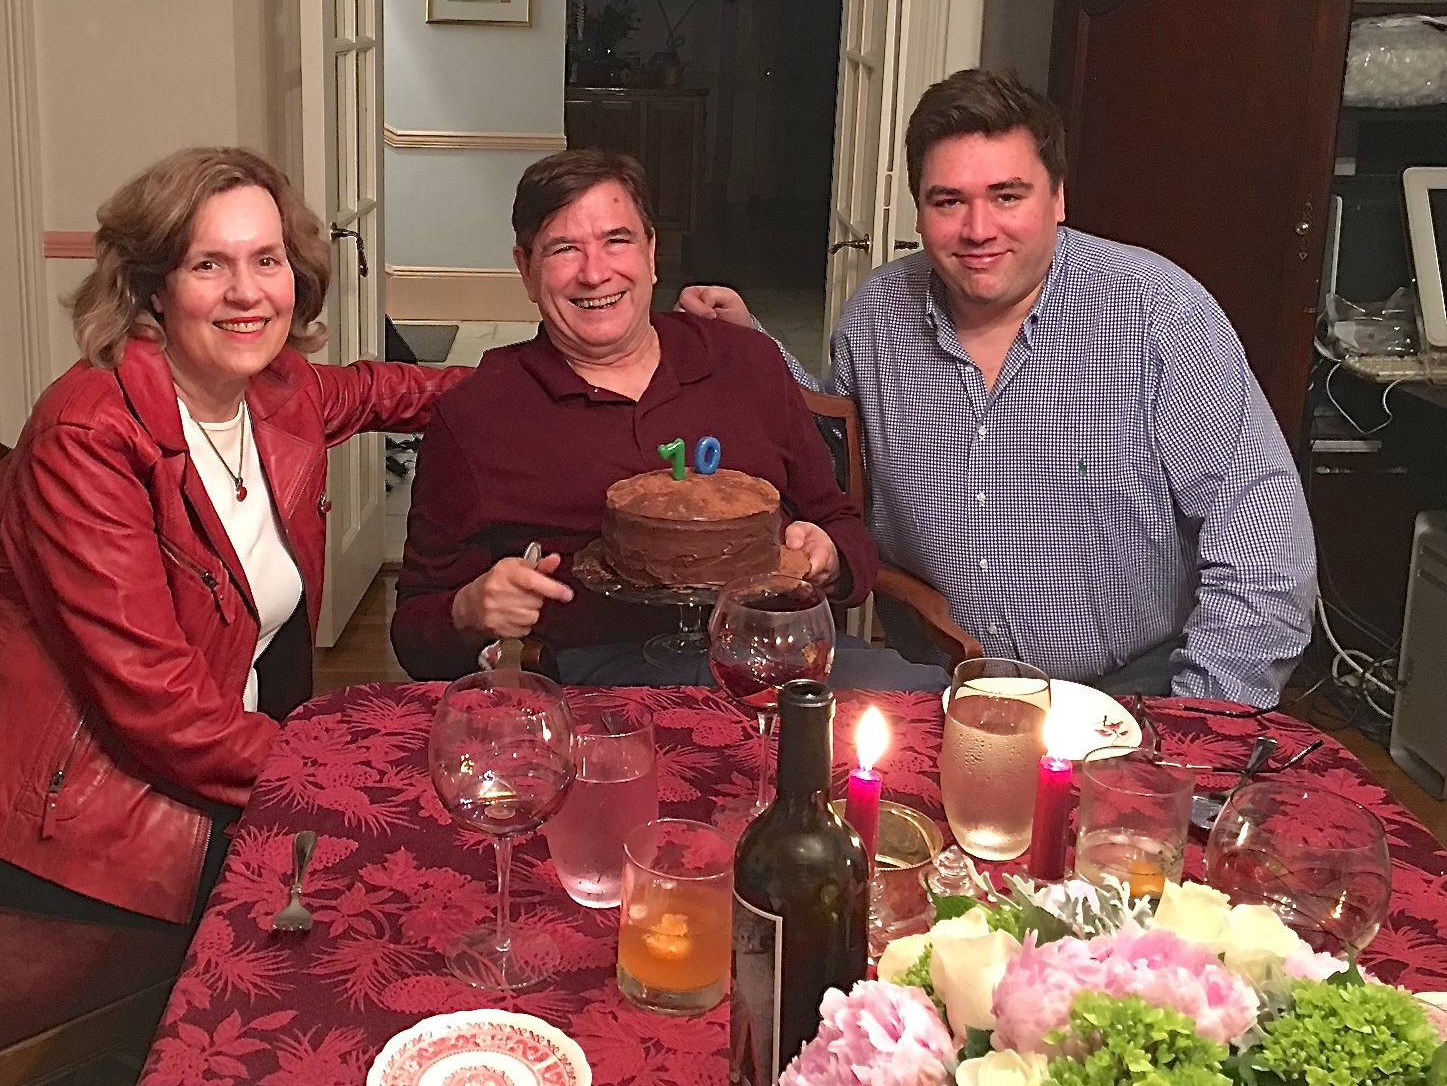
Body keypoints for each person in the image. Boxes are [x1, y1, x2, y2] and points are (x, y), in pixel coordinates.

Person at [0, 147, 466, 923]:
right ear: (153, 287)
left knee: (439, 856)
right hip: (92, 809)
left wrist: (561, 380)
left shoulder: (277, 390)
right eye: (208, 264)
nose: (246, 292)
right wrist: (341, 768)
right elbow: (162, 710)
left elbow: (400, 389)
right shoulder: (89, 435)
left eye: (267, 260)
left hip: (212, 764)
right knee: (393, 894)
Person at [680, 69, 1316, 707]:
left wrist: (1198, 720)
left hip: (1134, 689)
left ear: (1058, 199)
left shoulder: (1159, 311)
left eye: (1008, 196)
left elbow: (1267, 545)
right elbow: (833, 452)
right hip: (940, 688)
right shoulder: (877, 312)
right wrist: (752, 346)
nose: (978, 229)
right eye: (949, 201)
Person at [392, 149, 943, 690]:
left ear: (652, 254)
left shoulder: (745, 362)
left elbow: (843, 524)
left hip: (781, 659)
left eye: (617, 240)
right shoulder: (479, 414)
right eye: (564, 249)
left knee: (932, 702)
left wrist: (829, 557)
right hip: (604, 691)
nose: (594, 272)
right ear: (527, 270)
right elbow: (414, 633)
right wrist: (468, 609)